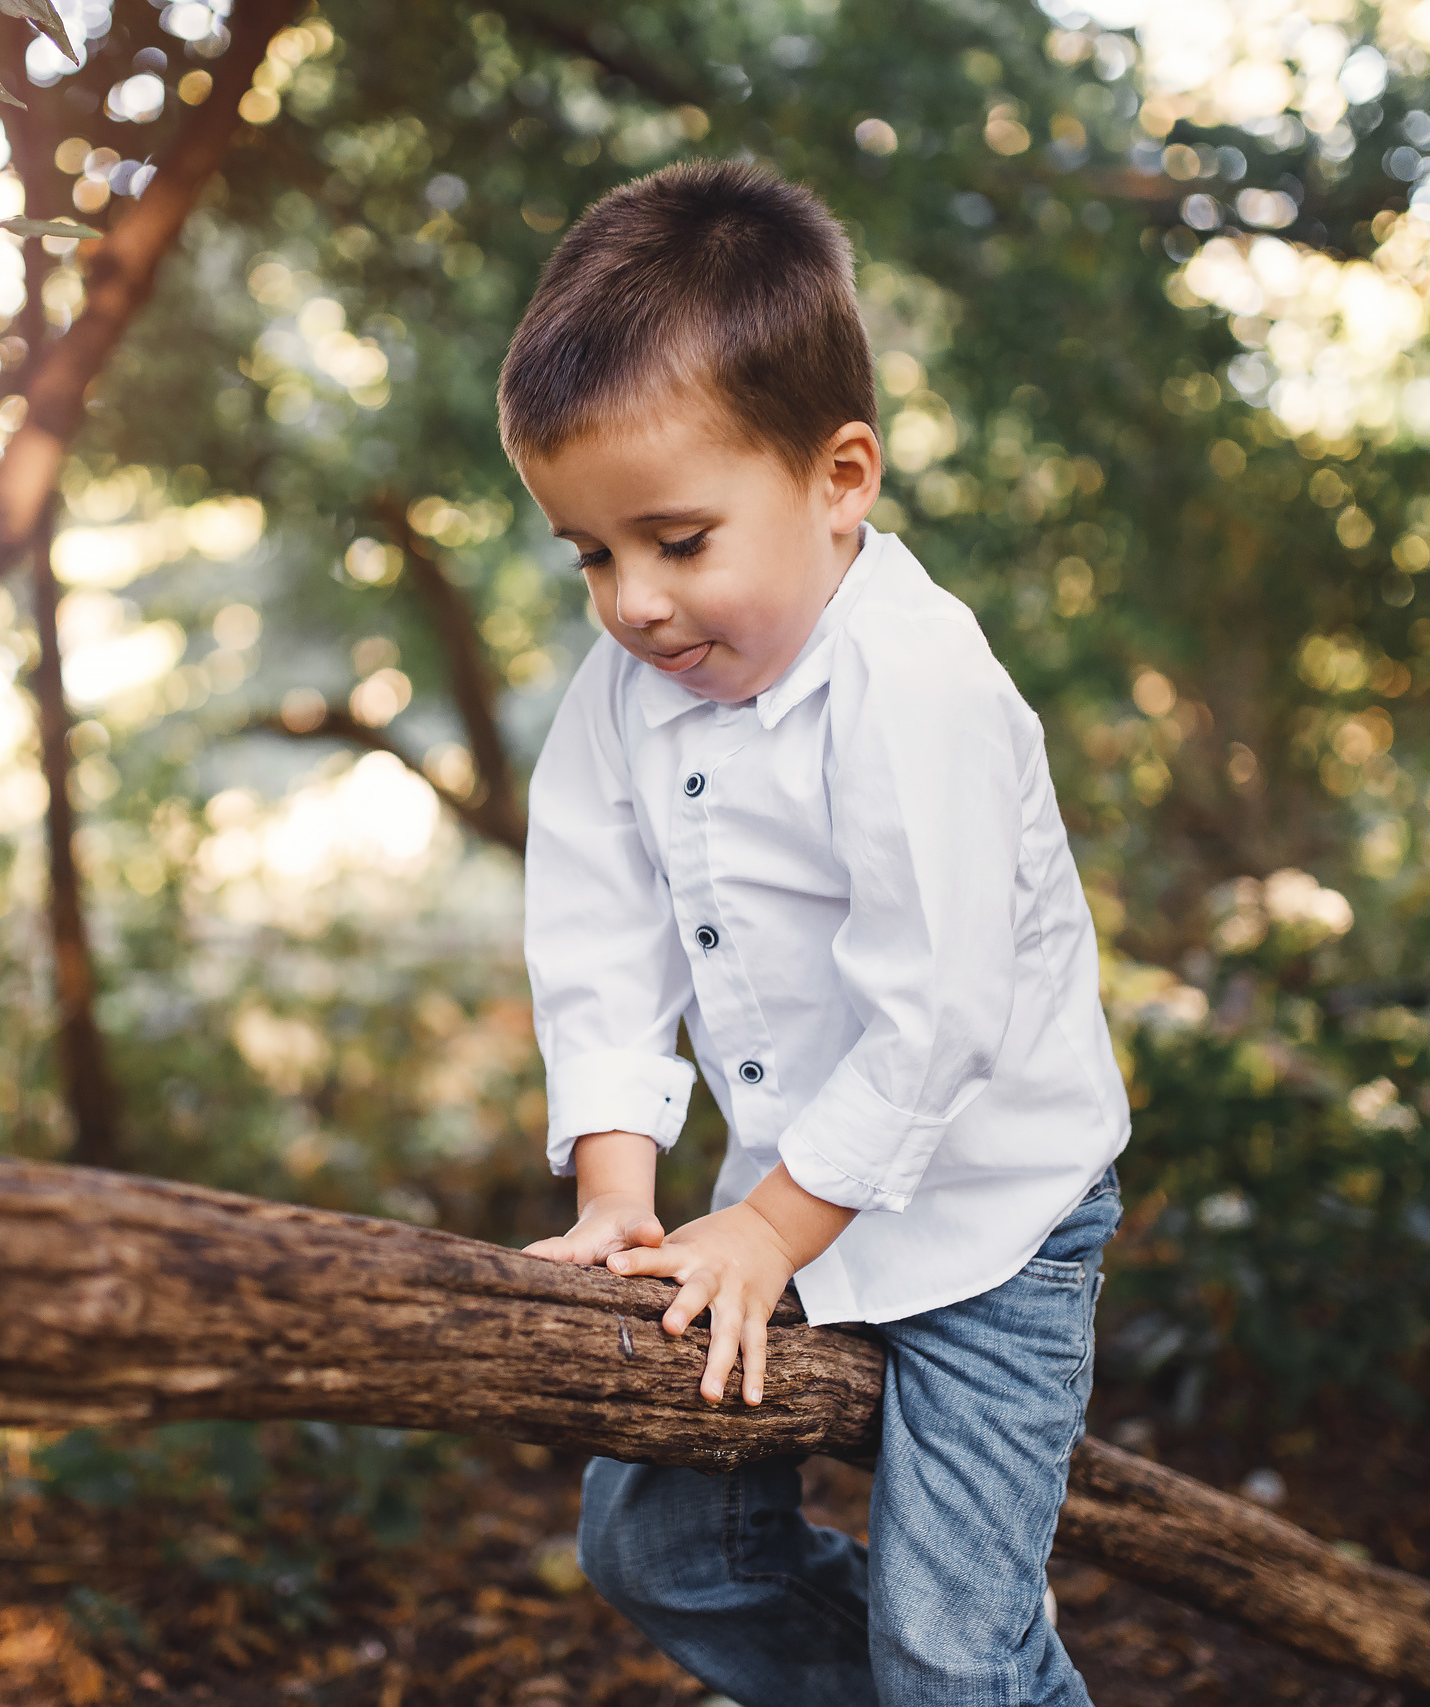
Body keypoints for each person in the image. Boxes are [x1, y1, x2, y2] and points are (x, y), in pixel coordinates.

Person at [503, 158, 1131, 1707]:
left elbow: (939, 1015)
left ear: (840, 478)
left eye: (677, 540)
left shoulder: (914, 682)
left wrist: (773, 1234)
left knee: (948, 1648)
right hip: (772, 1201)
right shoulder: (628, 691)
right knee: (658, 1551)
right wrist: (619, 1193)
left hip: (993, 1221)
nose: (634, 603)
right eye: (593, 555)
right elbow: (598, 936)